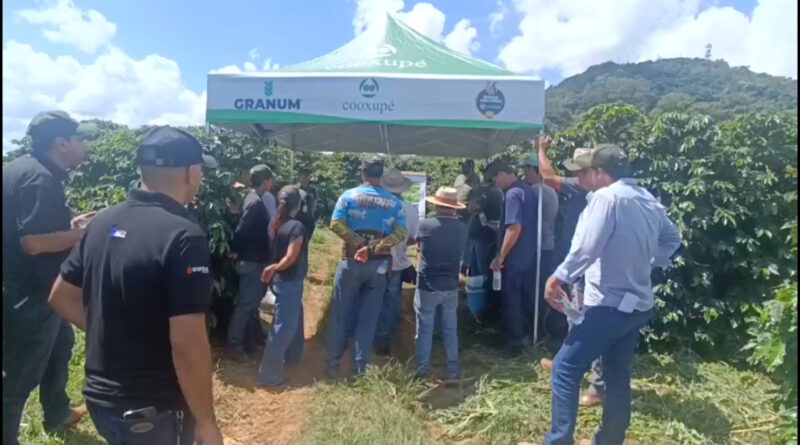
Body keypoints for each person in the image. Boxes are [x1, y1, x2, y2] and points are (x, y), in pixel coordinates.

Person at [48, 126, 224, 445]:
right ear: (190, 171)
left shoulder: (102, 221)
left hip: (102, 398)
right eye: (199, 169)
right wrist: (207, 423)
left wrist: (115, 335)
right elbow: (188, 343)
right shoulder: (183, 235)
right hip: (152, 408)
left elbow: (61, 296)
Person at [542, 144, 682, 445]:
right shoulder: (646, 198)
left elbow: (587, 248)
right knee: (617, 373)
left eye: (586, 172)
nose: (582, 178)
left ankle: (557, 441)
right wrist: (646, 260)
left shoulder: (607, 198)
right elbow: (673, 238)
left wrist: (559, 277)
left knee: (565, 369)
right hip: (638, 305)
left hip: (608, 305)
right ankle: (610, 439)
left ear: (598, 172)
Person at [2, 111, 95, 444]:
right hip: (30, 294)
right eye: (80, 139)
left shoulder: (21, 168)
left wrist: (70, 229)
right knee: (17, 381)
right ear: (61, 143)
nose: (85, 146)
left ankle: (57, 412)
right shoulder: (41, 178)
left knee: (62, 344)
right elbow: (32, 243)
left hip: (29, 288)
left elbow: (27, 230)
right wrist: (80, 236)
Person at [538, 136, 606, 407]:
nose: (574, 174)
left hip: (590, 269)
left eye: (578, 170)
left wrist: (541, 150)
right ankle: (567, 362)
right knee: (574, 316)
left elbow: (548, 176)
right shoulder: (587, 189)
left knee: (592, 321)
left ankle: (597, 386)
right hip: (579, 266)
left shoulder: (584, 188)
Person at [325, 155, 407, 377]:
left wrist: (359, 244)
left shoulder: (348, 196)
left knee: (341, 314)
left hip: (350, 262)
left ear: (363, 173)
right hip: (378, 266)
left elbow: (335, 225)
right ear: (381, 176)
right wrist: (375, 247)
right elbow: (401, 233)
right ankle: (358, 369)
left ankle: (332, 364)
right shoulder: (395, 203)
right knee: (368, 319)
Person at [485, 159, 539, 357]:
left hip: (515, 257)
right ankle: (524, 337)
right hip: (528, 255)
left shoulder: (513, 194)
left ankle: (514, 344)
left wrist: (501, 255)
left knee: (511, 299)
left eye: (495, 178)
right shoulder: (528, 190)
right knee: (524, 298)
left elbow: (514, 227)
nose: (495, 183)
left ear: (502, 174)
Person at [414, 187, 468, 382]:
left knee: (425, 329)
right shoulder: (463, 228)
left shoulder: (426, 225)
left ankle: (422, 371)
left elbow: (415, 243)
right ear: (454, 207)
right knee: (450, 330)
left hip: (428, 284)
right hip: (451, 284)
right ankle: (452, 370)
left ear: (436, 204)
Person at [258, 186, 309, 387]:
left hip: (282, 281)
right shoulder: (297, 227)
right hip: (289, 280)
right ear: (298, 205)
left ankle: (294, 356)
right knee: (282, 329)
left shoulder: (275, 223)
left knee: (295, 316)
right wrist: (275, 268)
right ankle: (269, 376)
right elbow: (291, 256)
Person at [226, 165, 274, 362]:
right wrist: (235, 251)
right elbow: (242, 230)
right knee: (246, 305)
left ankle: (248, 341)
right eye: (271, 180)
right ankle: (235, 345)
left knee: (252, 304)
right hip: (251, 261)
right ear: (266, 182)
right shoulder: (255, 203)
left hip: (254, 260)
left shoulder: (252, 199)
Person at [521, 153, 566, 347]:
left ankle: (535, 332)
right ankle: (541, 331)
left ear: (533, 170)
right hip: (548, 245)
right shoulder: (550, 191)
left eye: (526, 170)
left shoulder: (535, 191)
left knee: (533, 292)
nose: (524, 174)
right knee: (539, 289)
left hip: (538, 247)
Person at [374, 169, 419, 356]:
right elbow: (412, 239)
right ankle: (384, 340)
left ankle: (366, 335)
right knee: (392, 300)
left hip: (375, 260)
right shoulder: (410, 210)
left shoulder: (376, 207)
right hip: (398, 262)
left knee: (373, 297)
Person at [454, 159, 481, 272]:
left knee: (467, 242)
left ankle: (465, 265)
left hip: (468, 214)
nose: (463, 168)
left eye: (465, 165)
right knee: (458, 240)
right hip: (457, 213)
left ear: (471, 166)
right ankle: (459, 263)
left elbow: (477, 194)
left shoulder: (476, 178)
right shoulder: (460, 177)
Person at [295, 169, 318, 239]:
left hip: (309, 220)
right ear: (300, 177)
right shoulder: (295, 189)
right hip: (298, 219)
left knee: (307, 241)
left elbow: (315, 203)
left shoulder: (312, 190)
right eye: (303, 176)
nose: (305, 178)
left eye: (307, 176)